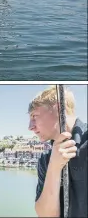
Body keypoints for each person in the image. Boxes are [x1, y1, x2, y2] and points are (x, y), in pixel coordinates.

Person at [28, 85, 87, 218]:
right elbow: (46, 215)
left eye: (34, 116)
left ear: (57, 108)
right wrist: (54, 167)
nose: (30, 126)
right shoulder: (46, 159)